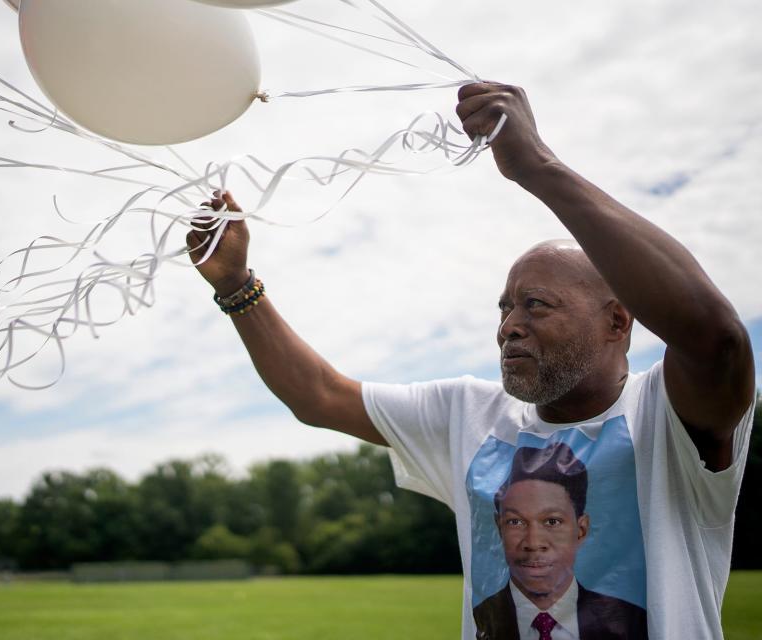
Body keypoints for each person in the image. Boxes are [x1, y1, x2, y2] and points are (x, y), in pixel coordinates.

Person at [186, 82, 755, 640]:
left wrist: (537, 166)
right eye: (505, 308)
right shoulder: (469, 413)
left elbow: (718, 340)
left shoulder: (666, 415)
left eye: (535, 305)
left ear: (616, 321)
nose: (508, 326)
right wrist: (237, 286)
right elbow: (318, 395)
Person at [473, 441, 647, 639]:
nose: (533, 542)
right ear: (499, 527)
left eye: (552, 521)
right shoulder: (483, 615)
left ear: (581, 530)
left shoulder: (632, 619)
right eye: (515, 522)